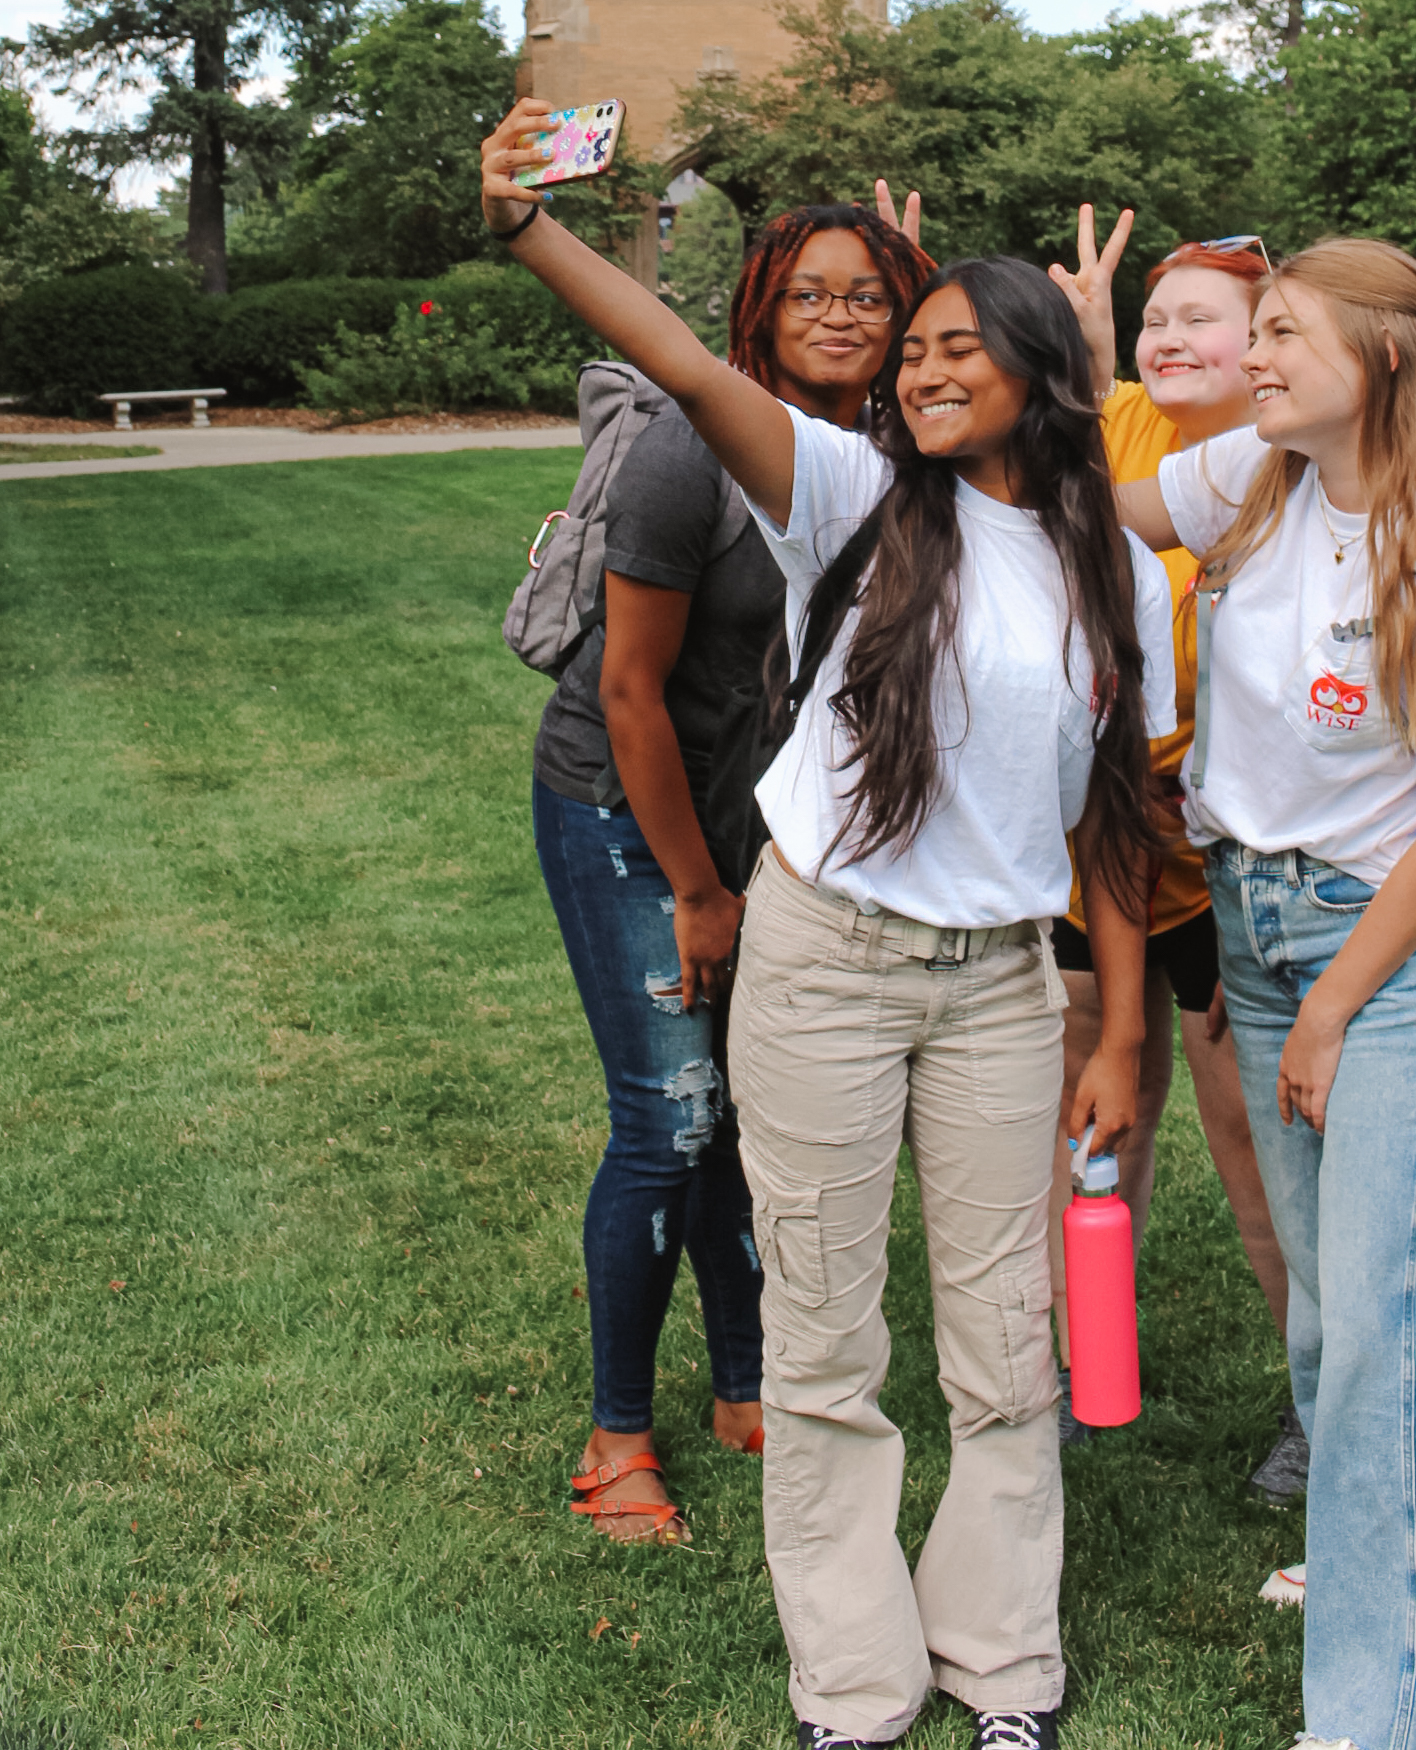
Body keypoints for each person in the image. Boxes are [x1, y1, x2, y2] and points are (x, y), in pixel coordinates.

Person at [481, 104, 1172, 1750]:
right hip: (826, 964)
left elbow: (1112, 816)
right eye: (910, 348)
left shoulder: (1109, 566)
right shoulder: (849, 492)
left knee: (1006, 1344)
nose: (918, 368)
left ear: (1037, 367)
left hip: (1003, 987)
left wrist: (1123, 1026)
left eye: (953, 346)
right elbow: (675, 353)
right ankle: (855, 1689)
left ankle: (1002, 1665)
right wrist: (522, 226)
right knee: (823, 1333)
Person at [1081, 234, 1416, 1750]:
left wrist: (1323, 1011)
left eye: (1279, 335)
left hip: (1380, 958)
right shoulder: (1254, 474)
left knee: (1374, 1321)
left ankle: (1372, 1716)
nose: (1250, 358)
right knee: (1335, 1311)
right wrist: (1072, 360)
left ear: (1376, 358)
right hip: (1253, 919)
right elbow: (1099, 500)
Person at [530, 194, 931, 1546]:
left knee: (742, 1114)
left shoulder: (886, 453)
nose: (838, 314)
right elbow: (631, 695)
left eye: (865, 295)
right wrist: (697, 892)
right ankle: (617, 1434)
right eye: (809, 291)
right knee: (668, 1119)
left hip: (763, 829)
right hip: (622, 807)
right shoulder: (683, 457)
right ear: (758, 301)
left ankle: (745, 1383)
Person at [1045, 236, 1298, 1496]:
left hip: (1229, 873)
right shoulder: (1119, 424)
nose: (1168, 338)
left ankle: (1317, 1398)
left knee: (1255, 1143)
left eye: (1204, 318)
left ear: (1266, 342)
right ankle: (1075, 1376)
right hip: (1100, 852)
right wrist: (1090, 362)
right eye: (1155, 318)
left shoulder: (1291, 451)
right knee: (1096, 1123)